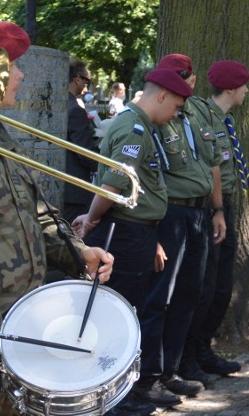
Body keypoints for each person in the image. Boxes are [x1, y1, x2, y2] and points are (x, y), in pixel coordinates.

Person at [0, 21, 114, 416]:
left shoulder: (0, 135)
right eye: (10, 65)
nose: (20, 74)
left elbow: (38, 215)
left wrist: (81, 253)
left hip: (20, 326)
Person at [73, 68, 190, 415]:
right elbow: (113, 185)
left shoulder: (143, 127)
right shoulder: (134, 128)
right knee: (120, 314)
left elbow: (142, 188)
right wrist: (92, 218)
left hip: (138, 232)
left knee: (132, 311)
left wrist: (151, 235)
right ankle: (116, 400)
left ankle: (124, 393)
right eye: (178, 106)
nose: (176, 115)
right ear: (162, 96)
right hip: (125, 234)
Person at [133, 54, 227, 407]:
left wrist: (217, 209)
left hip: (199, 213)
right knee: (159, 298)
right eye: (176, 81)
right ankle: (148, 376)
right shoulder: (151, 119)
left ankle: (171, 369)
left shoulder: (194, 115)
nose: (184, 87)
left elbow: (212, 163)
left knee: (189, 294)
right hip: (169, 214)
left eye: (186, 80)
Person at [178, 61, 249, 385]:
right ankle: (187, 357)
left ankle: (203, 349)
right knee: (204, 289)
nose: (247, 91)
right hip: (210, 210)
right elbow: (209, 168)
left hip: (226, 208)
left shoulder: (227, 121)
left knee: (221, 287)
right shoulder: (200, 115)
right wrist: (217, 209)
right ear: (232, 89)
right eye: (244, 86)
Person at [64, 60, 99, 222]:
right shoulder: (75, 110)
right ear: (77, 79)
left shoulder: (58, 105)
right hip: (74, 190)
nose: (87, 86)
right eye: (87, 81)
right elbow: (85, 153)